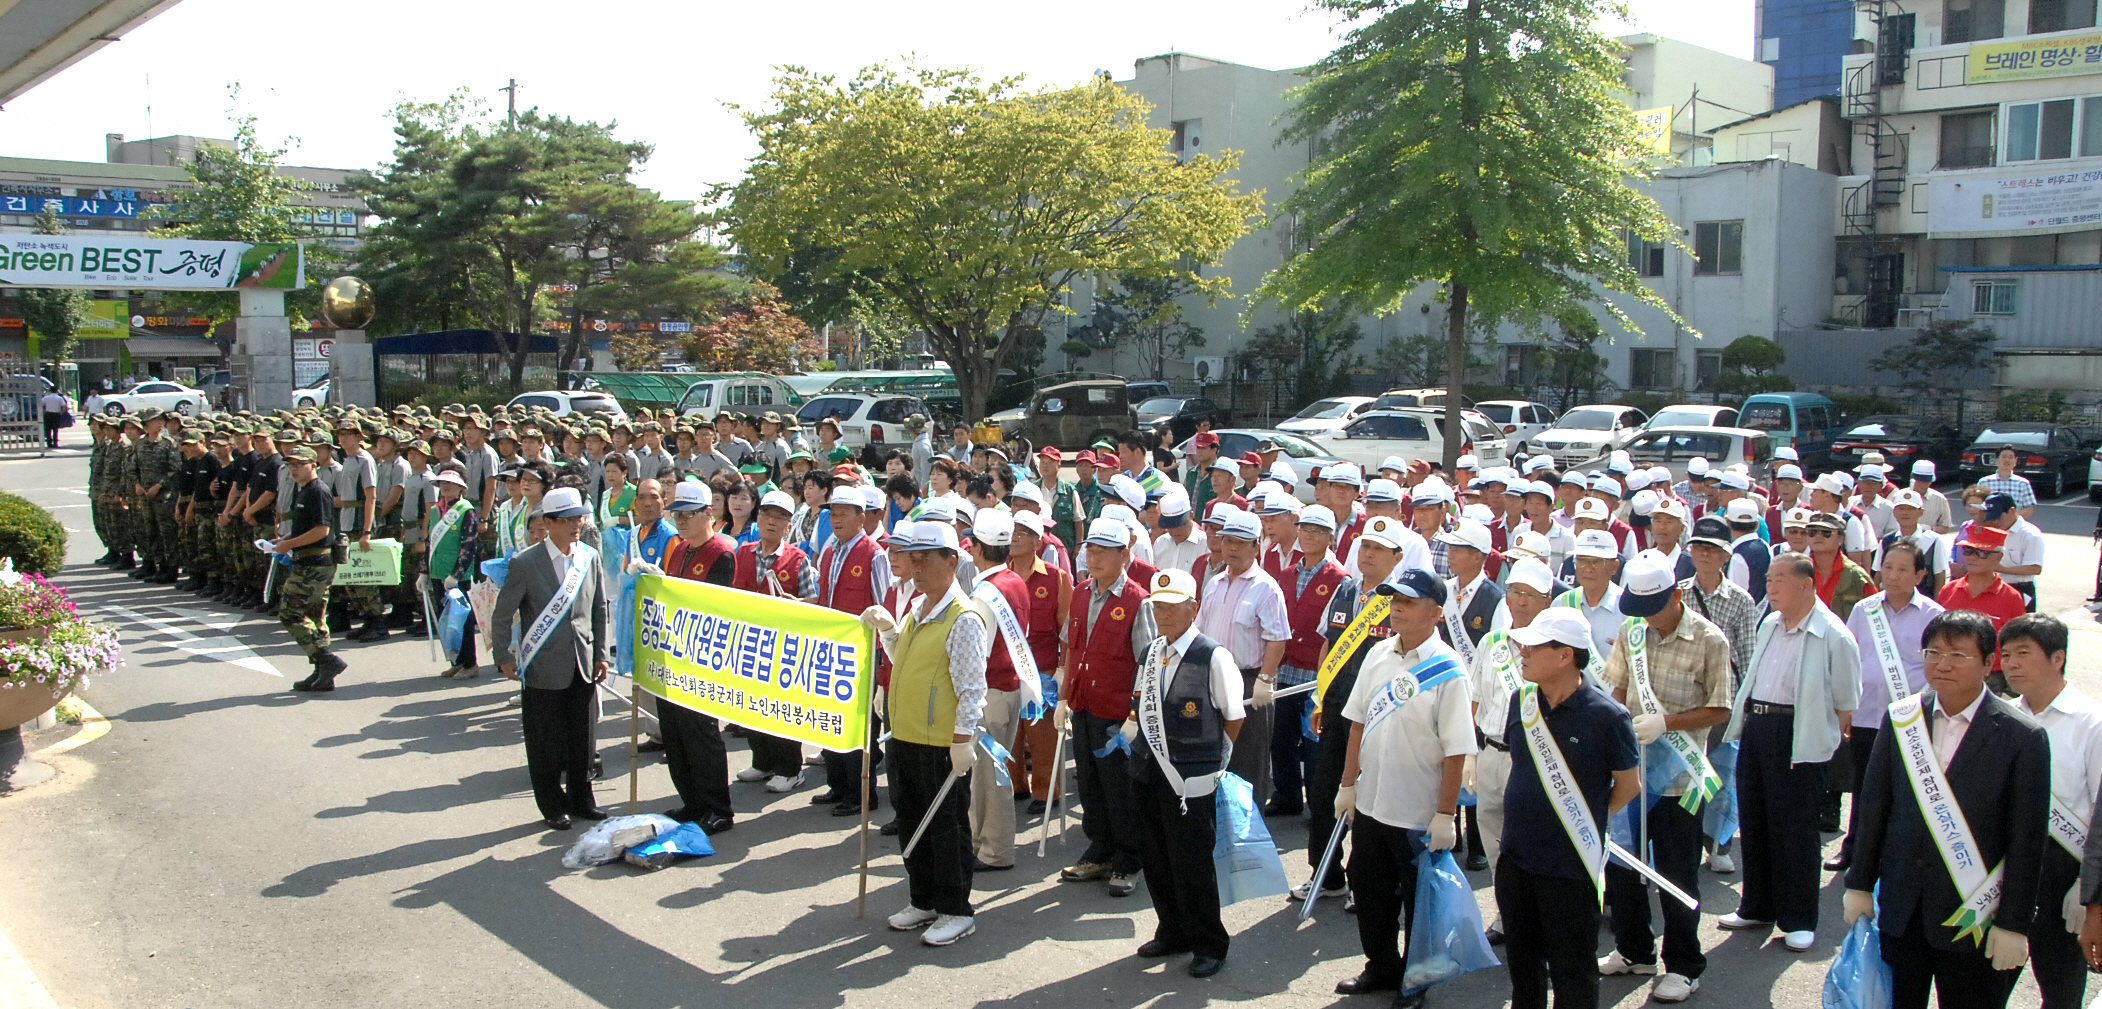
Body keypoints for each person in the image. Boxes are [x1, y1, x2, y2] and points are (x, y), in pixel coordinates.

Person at [1842, 609, 2050, 1009]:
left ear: (1989, 663)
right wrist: (1860, 882)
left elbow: (2027, 840)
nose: (1942, 664)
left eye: (1958, 655)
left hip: (1974, 915)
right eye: (1933, 652)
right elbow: (1874, 809)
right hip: (1903, 909)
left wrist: (2014, 924)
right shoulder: (1902, 719)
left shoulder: (2022, 737)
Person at [1332, 567, 1476, 1009]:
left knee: (1419, 903)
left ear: (1436, 613)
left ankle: (1416, 981)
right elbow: (1357, 724)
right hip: (1373, 803)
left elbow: (1456, 750)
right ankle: (1381, 965)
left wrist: (1446, 814)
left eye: (1409, 602)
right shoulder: (1378, 654)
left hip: (1417, 809)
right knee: (1368, 887)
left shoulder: (1449, 671)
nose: (1396, 607)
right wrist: (1347, 784)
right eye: (1394, 599)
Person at [1595, 551, 1733, 1002]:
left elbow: (1721, 707)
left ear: (1677, 595)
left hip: (1680, 779)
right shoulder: (1632, 631)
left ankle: (1685, 964)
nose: (1647, 619)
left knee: (1677, 873)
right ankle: (1634, 950)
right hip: (1632, 773)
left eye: (1653, 609)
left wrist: (1668, 723)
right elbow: (1616, 690)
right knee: (1623, 867)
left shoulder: (1710, 640)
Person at [1496, 607, 1642, 1009]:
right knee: (1522, 967)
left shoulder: (1608, 717)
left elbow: (1628, 786)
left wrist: (1583, 819)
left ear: (1565, 655)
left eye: (1534, 644)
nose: (1522, 651)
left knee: (1572, 971)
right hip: (1516, 858)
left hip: (1570, 866)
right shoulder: (1521, 700)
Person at [1719, 553, 1861, 951]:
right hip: (1758, 726)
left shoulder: (1833, 633)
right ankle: (1757, 906)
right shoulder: (1770, 623)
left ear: (1806, 584)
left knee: (1795, 829)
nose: (1771, 586)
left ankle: (1798, 918)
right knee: (1756, 819)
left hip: (1799, 734)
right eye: (1769, 578)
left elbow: (1847, 699)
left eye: (1779, 579)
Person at [1125, 567, 1246, 978]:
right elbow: (1140, 703)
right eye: (1158, 606)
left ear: (1193, 608)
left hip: (1191, 777)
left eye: (1172, 606)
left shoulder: (1213, 655)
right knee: (1156, 857)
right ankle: (1171, 929)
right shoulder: (1151, 651)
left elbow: (1233, 716)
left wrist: (1215, 764)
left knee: (1192, 862)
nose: (1164, 614)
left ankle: (1209, 942)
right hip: (1148, 771)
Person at [873, 520, 988, 947]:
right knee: (910, 822)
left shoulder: (963, 618)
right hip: (905, 737)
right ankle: (923, 899)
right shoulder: (918, 608)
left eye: (924, 559)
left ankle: (956, 908)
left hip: (941, 744)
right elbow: (902, 653)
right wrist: (888, 629)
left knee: (945, 828)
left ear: (951, 561)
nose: (915, 568)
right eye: (912, 559)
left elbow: (972, 686)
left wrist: (963, 741)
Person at [1303, 514, 1412, 905]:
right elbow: (1326, 645)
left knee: (1371, 804)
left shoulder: (1401, 600)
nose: (1367, 554)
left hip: (1382, 716)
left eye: (1378, 549)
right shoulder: (1344, 591)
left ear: (1397, 556)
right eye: (1364, 546)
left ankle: (1366, 881)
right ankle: (1326, 875)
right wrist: (1319, 697)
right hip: (1337, 709)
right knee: (1323, 795)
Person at [490, 487, 612, 831]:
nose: (576, 525)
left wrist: (601, 653)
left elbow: (598, 608)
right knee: (546, 738)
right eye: (568, 519)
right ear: (548, 522)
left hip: (583, 661)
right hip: (542, 663)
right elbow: (502, 614)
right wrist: (504, 655)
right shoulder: (525, 563)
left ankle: (582, 798)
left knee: (583, 737)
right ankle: (551, 803)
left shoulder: (589, 556)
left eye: (579, 518)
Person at [1999, 614, 2102, 1009]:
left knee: (2060, 990)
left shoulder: (2090, 722)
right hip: (2006, 870)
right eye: (2006, 654)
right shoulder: (2003, 715)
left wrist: (2089, 890)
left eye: (2024, 653)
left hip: (2064, 871)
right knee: (1984, 984)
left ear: (2058, 657)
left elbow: (2098, 811)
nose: (2011, 664)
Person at [1056, 517, 1157, 897]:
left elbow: (1147, 667)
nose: (1093, 558)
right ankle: (1100, 847)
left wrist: (1135, 717)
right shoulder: (1081, 592)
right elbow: (1072, 648)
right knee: (1091, 781)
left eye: (1103, 551)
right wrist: (1064, 698)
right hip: (1084, 705)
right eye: (1090, 550)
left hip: (1117, 714)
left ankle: (1130, 857)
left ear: (1125, 555)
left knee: (1121, 787)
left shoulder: (1137, 601)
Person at [1830, 540, 1944, 872]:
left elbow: (1934, 668)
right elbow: (1849, 659)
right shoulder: (1865, 610)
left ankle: (1895, 853)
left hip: (1909, 717)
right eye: (1888, 567)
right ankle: (1855, 849)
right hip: (1866, 713)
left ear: (1920, 574)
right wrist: (1845, 707)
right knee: (1865, 785)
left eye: (1902, 569)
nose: (1892, 576)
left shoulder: (1934, 616)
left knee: (1904, 786)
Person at [1196, 509, 1289, 807]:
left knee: (1247, 761)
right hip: (1211, 680)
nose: (1232, 548)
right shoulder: (1214, 583)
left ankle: (1248, 835)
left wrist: (1265, 678)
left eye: (1241, 542)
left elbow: (1277, 638)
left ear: (1256, 546)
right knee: (1213, 756)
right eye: (1228, 541)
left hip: (1248, 682)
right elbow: (1200, 629)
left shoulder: (1266, 587)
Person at [728, 488, 816, 795]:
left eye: (780, 518)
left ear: (789, 527)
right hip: (748, 642)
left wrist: (798, 602)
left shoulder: (798, 559)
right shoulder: (743, 552)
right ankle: (762, 760)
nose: (772, 522)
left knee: (781, 707)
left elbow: (813, 600)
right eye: (767, 515)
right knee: (751, 704)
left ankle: (790, 769)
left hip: (783, 646)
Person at [1270, 504, 1355, 817]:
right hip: (1286, 670)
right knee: (1281, 740)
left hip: (1315, 674)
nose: (1308, 536)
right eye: (1304, 529)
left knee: (1315, 746)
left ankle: (1319, 805)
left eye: (1317, 531)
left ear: (1330, 537)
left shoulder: (1341, 578)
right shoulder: (1288, 573)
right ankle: (1287, 796)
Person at [962, 509, 1032, 872]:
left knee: (990, 778)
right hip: (1011, 687)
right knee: (991, 774)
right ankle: (984, 843)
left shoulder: (984, 592)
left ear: (976, 548)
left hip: (991, 691)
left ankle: (995, 851)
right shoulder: (1015, 580)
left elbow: (978, 654)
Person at [817, 483, 893, 816]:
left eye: (844, 513)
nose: (836, 519)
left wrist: (879, 655)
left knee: (860, 725)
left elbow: (883, 607)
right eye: (833, 513)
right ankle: (837, 784)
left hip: (862, 654)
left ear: (862, 517)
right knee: (830, 717)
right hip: (829, 649)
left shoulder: (874, 554)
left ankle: (862, 793)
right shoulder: (830, 550)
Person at [270, 444, 350, 692]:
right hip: (307, 560)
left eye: (299, 464)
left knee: (290, 613)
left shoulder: (318, 491)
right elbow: (306, 528)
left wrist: (289, 544)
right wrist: (284, 542)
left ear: (312, 465)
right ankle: (322, 672)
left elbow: (322, 530)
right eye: (291, 465)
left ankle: (327, 660)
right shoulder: (302, 490)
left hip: (315, 564)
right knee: (315, 616)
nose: (294, 469)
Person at [425, 470, 483, 679]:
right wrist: (424, 571)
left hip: (458, 575)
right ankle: (456, 660)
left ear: (461, 487)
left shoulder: (466, 511)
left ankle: (470, 663)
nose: (446, 487)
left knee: (462, 619)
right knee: (445, 619)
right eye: (442, 483)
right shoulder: (434, 511)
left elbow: (469, 545)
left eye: (450, 483)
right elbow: (429, 542)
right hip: (438, 571)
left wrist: (457, 574)